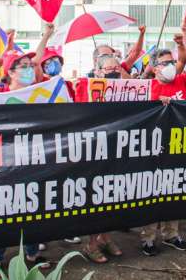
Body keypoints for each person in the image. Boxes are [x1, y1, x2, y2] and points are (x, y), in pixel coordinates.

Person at [140, 26, 186, 257]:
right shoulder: (146, 88)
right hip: (154, 152)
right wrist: (155, 105)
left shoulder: (182, 81)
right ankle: (148, 238)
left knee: (174, 193)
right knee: (153, 195)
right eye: (166, 62)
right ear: (154, 68)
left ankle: (172, 234)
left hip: (179, 148)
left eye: (172, 61)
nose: (171, 65)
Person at [0, 50, 50, 278]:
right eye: (24, 66)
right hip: (4, 164)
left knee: (34, 207)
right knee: (0, 209)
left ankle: (32, 253)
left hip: (33, 161)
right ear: (10, 72)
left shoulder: (41, 92)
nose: (30, 69)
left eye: (31, 65)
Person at [83, 53, 124, 263]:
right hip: (94, 153)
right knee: (95, 197)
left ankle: (106, 237)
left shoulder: (127, 90)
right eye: (109, 69)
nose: (114, 72)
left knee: (112, 197)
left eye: (117, 68)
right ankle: (91, 243)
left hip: (117, 151)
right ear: (98, 71)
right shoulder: (85, 88)